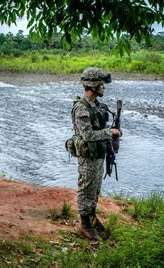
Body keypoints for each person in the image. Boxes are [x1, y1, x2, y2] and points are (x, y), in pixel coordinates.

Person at [71, 67, 122, 240]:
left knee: (95, 189)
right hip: (88, 156)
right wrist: (111, 132)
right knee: (86, 188)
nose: (104, 88)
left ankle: (91, 217)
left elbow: (100, 128)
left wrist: (112, 133)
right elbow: (88, 135)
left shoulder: (99, 106)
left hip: (99, 155)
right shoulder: (81, 108)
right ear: (93, 86)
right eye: (101, 84)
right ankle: (84, 224)